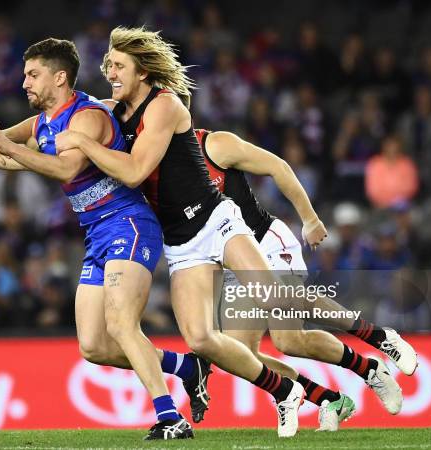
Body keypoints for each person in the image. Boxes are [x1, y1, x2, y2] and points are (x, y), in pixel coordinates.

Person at [0, 38, 202, 440]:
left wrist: (8, 148)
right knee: (93, 346)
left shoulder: (88, 116)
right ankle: (186, 368)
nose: (24, 82)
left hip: (128, 223)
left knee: (121, 323)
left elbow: (63, 168)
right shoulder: (41, 122)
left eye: (33, 75)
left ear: (60, 78)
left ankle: (171, 418)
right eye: (24, 75)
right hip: (97, 234)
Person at [56, 27, 305, 438]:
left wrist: (84, 141)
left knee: (271, 294)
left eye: (119, 66)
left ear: (143, 71)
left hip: (214, 219)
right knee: (202, 340)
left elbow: (135, 172)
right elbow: (55, 118)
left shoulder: (164, 106)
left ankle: (370, 341)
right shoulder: (111, 111)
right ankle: (284, 391)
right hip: (180, 239)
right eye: (108, 66)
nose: (110, 73)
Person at [194, 128, 418, 430]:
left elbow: (278, 167)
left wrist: (310, 218)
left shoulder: (213, 144)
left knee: (289, 340)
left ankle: (380, 338)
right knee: (239, 354)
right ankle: (335, 394)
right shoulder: (159, 171)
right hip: (232, 261)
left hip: (265, 242)